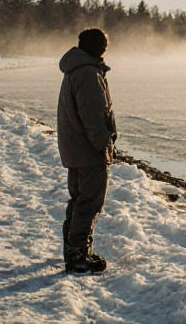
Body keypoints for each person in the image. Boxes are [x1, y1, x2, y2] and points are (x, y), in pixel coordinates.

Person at [57, 28, 118, 274]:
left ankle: (75, 251)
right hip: (87, 151)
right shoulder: (87, 73)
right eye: (105, 42)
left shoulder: (78, 69)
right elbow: (92, 117)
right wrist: (104, 145)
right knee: (89, 202)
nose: (107, 46)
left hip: (75, 149)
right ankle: (78, 256)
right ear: (96, 47)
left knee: (80, 201)